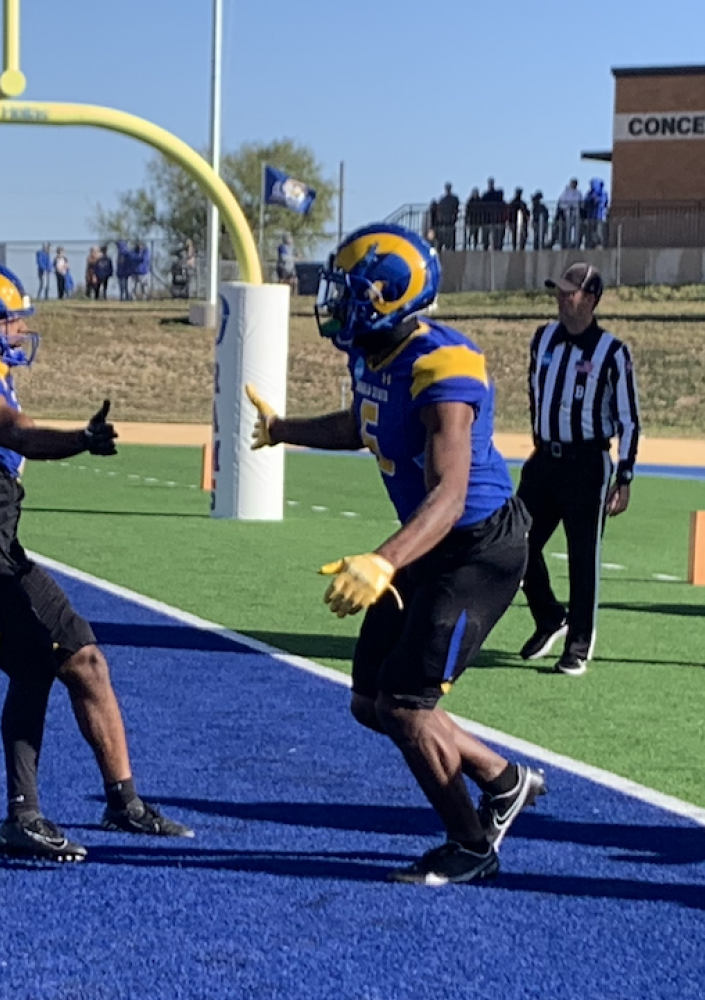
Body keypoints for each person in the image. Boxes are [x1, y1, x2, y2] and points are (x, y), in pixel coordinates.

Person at [245, 223, 547, 885]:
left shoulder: (446, 365)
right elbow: (363, 423)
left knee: (405, 707)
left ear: (390, 295)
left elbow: (449, 493)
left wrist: (384, 559)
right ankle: (502, 778)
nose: (334, 303)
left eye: (349, 291)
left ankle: (470, 846)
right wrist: (284, 430)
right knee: (369, 702)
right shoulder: (373, 352)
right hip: (426, 543)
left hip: (476, 549)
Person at [0, 260, 193, 861]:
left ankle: (125, 803)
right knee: (35, 662)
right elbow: (16, 433)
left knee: (86, 660)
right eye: (9, 318)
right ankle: (22, 817)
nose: (18, 329)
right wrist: (79, 441)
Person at [517, 262, 641, 677]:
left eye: (569, 292)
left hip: (587, 463)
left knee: (582, 557)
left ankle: (579, 645)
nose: (561, 298)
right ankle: (550, 616)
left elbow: (630, 419)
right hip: (544, 460)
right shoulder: (543, 339)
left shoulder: (612, 352)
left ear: (590, 299)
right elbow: (536, 393)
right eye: (559, 290)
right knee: (515, 541)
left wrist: (624, 475)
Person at [556, 179, 583, 249]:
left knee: (577, 229)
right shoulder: (565, 192)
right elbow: (561, 203)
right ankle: (568, 243)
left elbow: (581, 203)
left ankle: (576, 243)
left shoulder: (578, 193)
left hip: (576, 213)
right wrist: (567, 207)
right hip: (568, 213)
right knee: (568, 229)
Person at [434, 183, 460, 252]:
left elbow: (456, 208)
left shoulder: (454, 198)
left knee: (451, 234)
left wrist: (454, 216)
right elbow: (439, 209)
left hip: (451, 219)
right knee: (444, 234)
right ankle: (444, 246)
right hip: (444, 220)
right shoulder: (443, 199)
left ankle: (452, 247)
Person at [507, 187, 529, 251]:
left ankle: (521, 246)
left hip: (522, 223)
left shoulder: (522, 203)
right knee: (514, 235)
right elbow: (509, 213)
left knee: (523, 235)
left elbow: (527, 213)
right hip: (514, 222)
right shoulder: (513, 203)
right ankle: (515, 247)